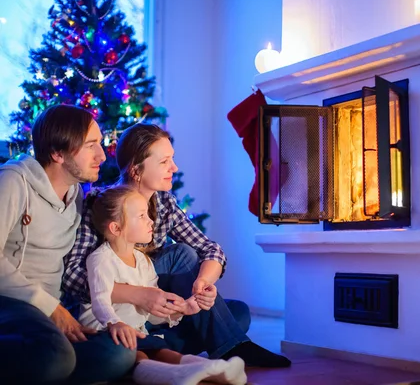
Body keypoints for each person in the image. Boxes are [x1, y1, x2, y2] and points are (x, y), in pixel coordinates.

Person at [63, 122, 291, 367]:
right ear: (136, 170)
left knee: (238, 314)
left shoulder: (164, 204)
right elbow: (73, 275)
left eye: (172, 159)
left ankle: (148, 344)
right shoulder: (100, 204)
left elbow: (211, 250)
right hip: (111, 310)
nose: (174, 167)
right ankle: (221, 346)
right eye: (164, 162)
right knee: (182, 255)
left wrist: (203, 284)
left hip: (155, 311)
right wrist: (140, 294)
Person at [0, 105, 136, 384]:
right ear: (57, 153)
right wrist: (49, 307)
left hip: (51, 311)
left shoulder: (76, 197)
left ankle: (48, 368)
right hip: (11, 305)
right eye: (91, 145)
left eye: (100, 143)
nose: (102, 154)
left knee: (120, 352)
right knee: (56, 357)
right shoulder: (14, 182)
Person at [81, 185, 247, 385]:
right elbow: (99, 300)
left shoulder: (143, 262)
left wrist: (182, 310)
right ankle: (180, 374)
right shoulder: (100, 260)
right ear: (116, 228)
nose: (151, 220)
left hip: (137, 330)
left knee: (159, 348)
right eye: (142, 216)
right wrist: (114, 323)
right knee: (140, 352)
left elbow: (151, 312)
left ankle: (214, 370)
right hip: (103, 329)